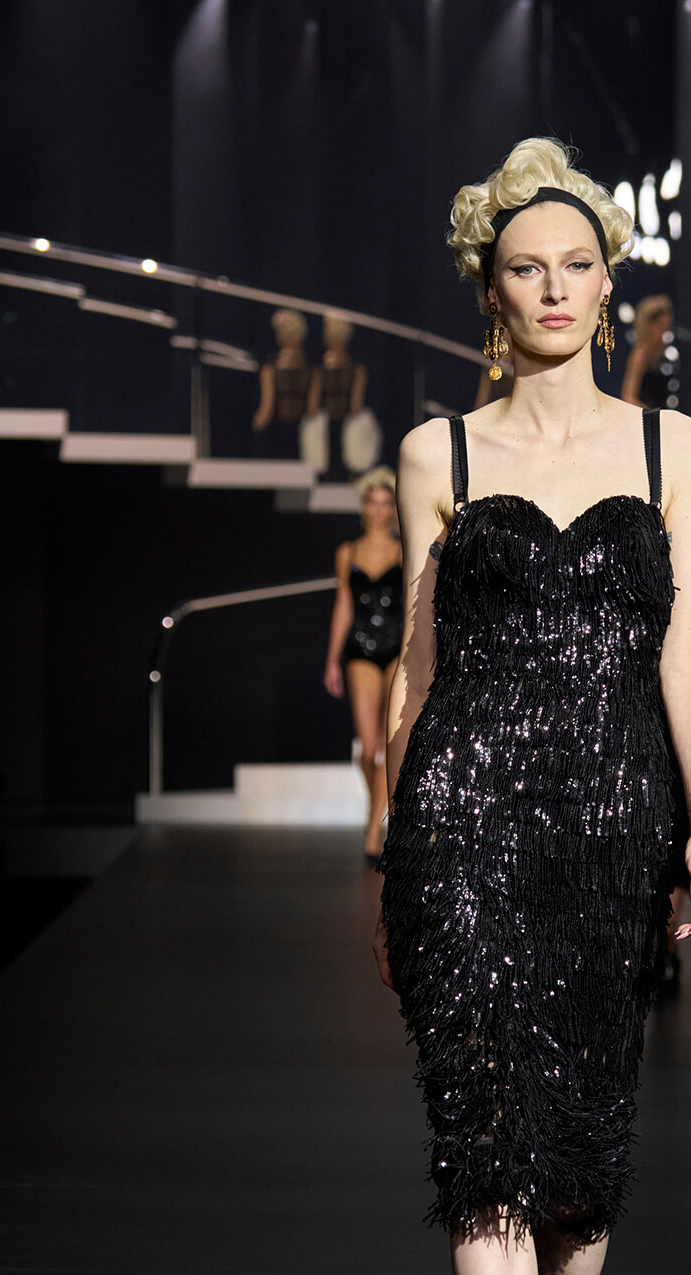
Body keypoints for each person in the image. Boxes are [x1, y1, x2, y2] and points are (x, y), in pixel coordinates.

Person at [374, 137, 691, 1275]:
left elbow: (687, 650)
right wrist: (385, 829)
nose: (555, 291)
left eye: (577, 265)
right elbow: (412, 663)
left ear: (609, 279)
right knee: (484, 1150)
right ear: (491, 284)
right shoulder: (436, 453)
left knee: (582, 1158)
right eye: (526, 268)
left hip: (611, 830)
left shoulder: (675, 448)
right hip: (463, 819)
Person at [323, 469, 402, 865]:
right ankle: (379, 810)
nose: (379, 510)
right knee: (368, 748)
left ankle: (375, 829)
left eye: (386, 504)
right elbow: (343, 606)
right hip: (360, 648)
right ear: (363, 507)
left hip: (396, 648)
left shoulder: (404, 551)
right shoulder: (347, 552)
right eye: (373, 503)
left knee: (389, 745)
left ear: (393, 509)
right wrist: (331, 659)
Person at [307, 313, 367, 478]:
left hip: (341, 422)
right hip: (331, 421)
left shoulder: (355, 370)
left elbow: (356, 403)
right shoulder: (324, 370)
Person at [252, 308, 312, 458]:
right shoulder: (312, 372)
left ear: (281, 336)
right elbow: (312, 410)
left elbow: (266, 411)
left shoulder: (270, 371)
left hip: (276, 438)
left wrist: (253, 429)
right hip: (303, 439)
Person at [620, 293, 676, 409]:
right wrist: (654, 417)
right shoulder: (640, 355)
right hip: (644, 421)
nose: (666, 333)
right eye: (662, 328)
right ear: (649, 326)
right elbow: (628, 397)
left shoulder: (661, 357)